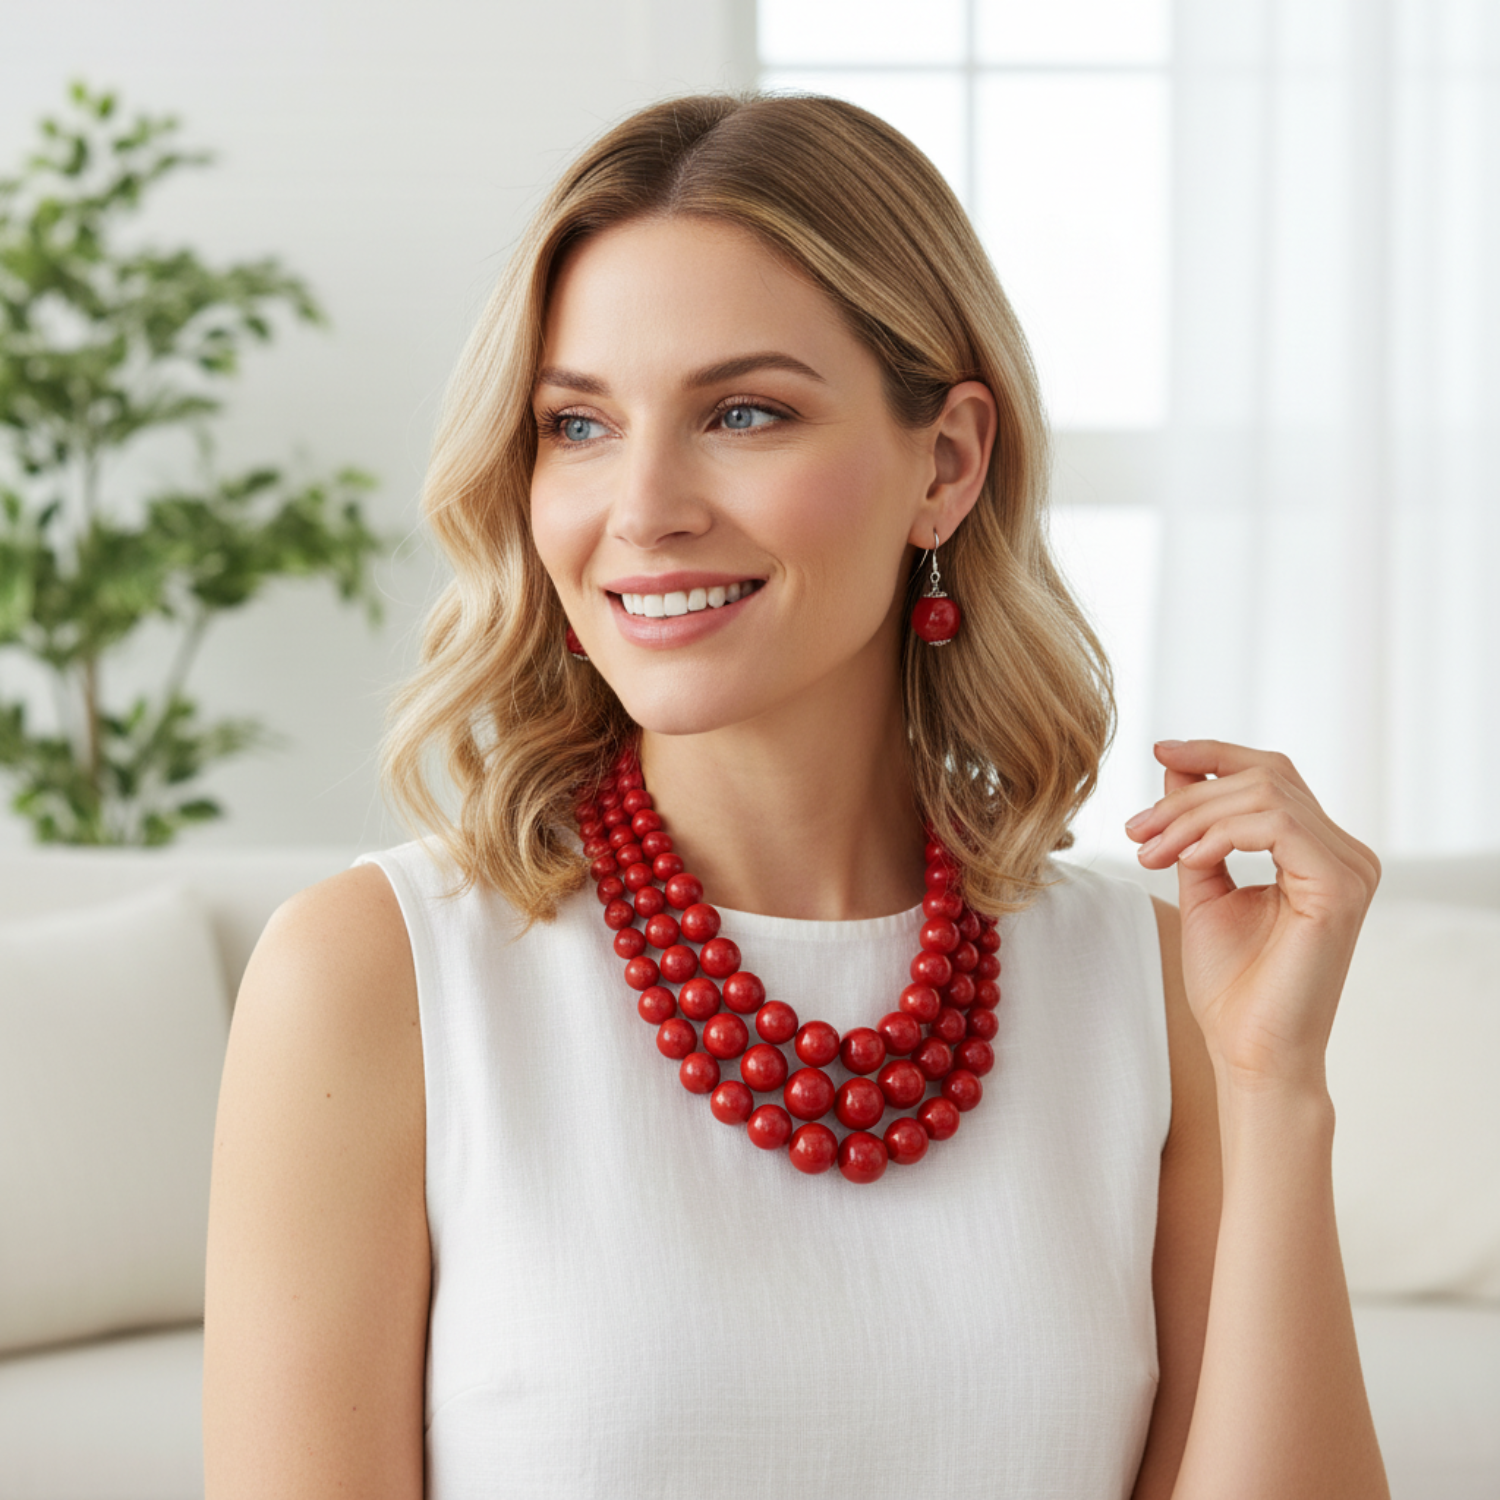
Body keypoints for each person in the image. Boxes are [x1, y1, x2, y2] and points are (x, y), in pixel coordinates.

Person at [202, 93, 1389, 1498]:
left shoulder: (1146, 986)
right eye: (576, 425)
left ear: (944, 464)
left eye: (743, 412)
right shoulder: (376, 974)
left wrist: (1277, 1090)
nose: (641, 507)